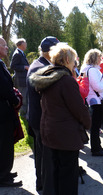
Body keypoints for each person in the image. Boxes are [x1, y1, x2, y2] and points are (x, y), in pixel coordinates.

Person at [29, 43, 91, 194]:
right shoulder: (65, 80)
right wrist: (87, 122)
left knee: (53, 175)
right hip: (65, 136)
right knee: (67, 177)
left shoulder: (48, 77)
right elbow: (78, 109)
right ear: (67, 60)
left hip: (50, 132)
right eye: (74, 60)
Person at [27, 36, 59, 191]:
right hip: (41, 119)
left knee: (43, 154)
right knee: (45, 156)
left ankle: (43, 183)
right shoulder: (40, 67)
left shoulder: (41, 64)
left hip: (39, 118)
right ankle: (47, 186)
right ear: (50, 51)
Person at [0, 37, 22, 187]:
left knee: (5, 142)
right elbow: (3, 87)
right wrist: (15, 100)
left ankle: (5, 171)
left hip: (4, 109)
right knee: (3, 143)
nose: (7, 48)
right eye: (4, 45)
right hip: (2, 111)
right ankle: (3, 176)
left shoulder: (1, 63)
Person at [80, 49, 103, 156]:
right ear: (94, 58)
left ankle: (97, 147)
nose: (101, 59)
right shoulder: (92, 70)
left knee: (95, 126)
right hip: (96, 101)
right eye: (99, 57)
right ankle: (96, 149)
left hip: (91, 100)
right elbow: (97, 87)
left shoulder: (85, 69)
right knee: (96, 127)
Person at [10, 38, 29, 117]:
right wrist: (24, 67)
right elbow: (13, 66)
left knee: (26, 96)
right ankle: (22, 114)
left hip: (23, 79)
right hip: (20, 80)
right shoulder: (17, 54)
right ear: (21, 45)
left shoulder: (21, 53)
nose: (26, 44)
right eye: (25, 43)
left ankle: (25, 113)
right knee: (23, 97)